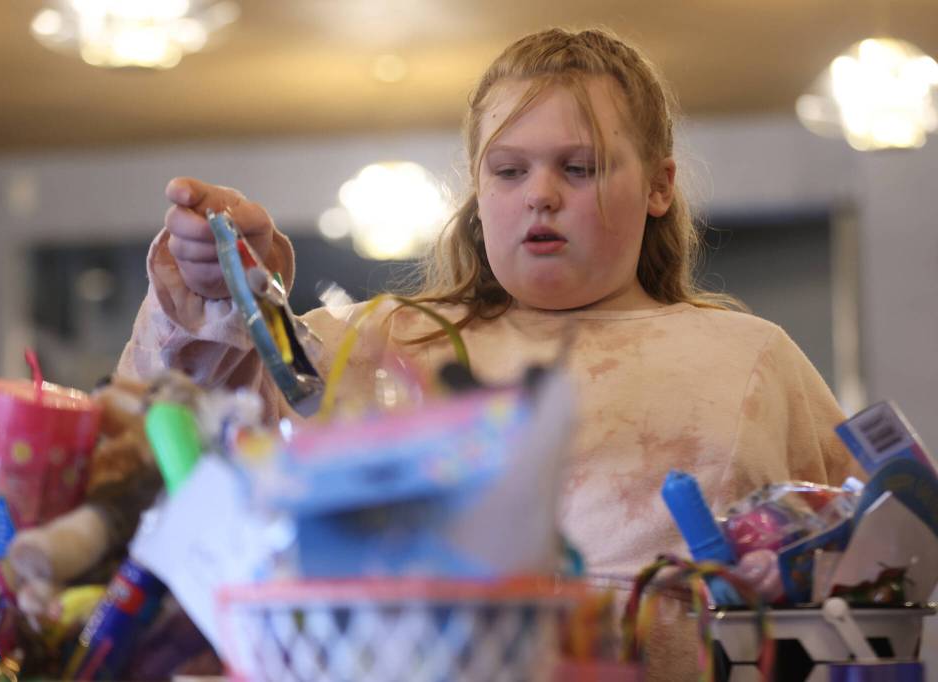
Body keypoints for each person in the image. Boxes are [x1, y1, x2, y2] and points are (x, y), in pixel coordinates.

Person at [119, 27, 858, 679]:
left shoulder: (752, 360)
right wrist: (221, 294)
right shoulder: (375, 342)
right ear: (477, 186)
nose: (540, 195)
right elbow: (166, 448)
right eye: (509, 171)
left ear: (659, 185)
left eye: (579, 167)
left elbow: (868, 573)